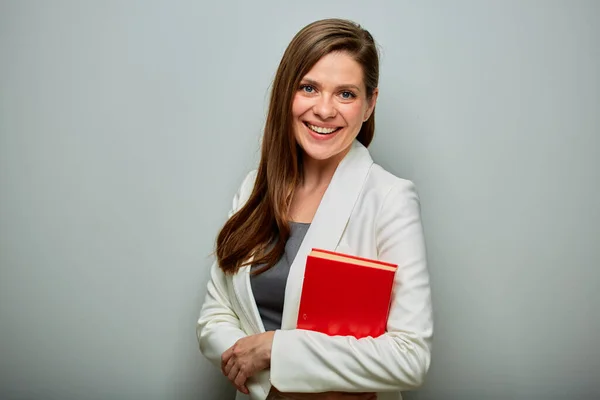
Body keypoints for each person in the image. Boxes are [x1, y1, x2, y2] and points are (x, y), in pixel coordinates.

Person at [196, 18, 433, 400]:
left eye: (346, 94)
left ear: (370, 104)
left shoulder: (390, 198)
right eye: (309, 88)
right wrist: (271, 388)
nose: (324, 110)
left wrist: (277, 349)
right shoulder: (254, 187)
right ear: (286, 94)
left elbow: (409, 357)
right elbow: (214, 318)